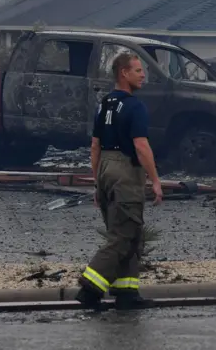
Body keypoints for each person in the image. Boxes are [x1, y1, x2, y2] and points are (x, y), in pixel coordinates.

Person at [75, 52, 163, 310]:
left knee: (130, 235)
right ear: (123, 73)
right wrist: (155, 180)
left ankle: (126, 292)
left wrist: (97, 183)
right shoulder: (135, 107)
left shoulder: (103, 105)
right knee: (123, 237)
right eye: (138, 70)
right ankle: (90, 288)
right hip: (125, 171)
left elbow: (94, 146)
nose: (143, 75)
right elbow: (141, 145)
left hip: (105, 168)